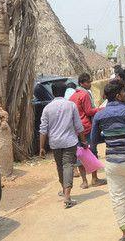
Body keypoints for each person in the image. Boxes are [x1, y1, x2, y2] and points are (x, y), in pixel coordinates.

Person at [90, 81, 125, 240]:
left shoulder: (99, 115)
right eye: (123, 92)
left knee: (117, 195)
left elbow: (94, 139)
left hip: (112, 162)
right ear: (117, 95)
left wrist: (109, 137)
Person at [39, 79, 86, 209]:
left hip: (55, 143)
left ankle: (64, 191)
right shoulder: (71, 105)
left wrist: (42, 147)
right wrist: (83, 141)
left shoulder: (47, 108)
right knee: (68, 166)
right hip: (70, 141)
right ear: (65, 92)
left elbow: (43, 129)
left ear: (53, 93)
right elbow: (78, 126)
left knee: (60, 167)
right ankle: (67, 196)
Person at [69, 73, 105, 188]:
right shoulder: (84, 95)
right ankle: (94, 179)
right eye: (88, 82)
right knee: (92, 152)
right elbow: (89, 111)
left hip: (75, 129)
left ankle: (84, 181)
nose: (90, 84)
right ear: (82, 83)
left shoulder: (72, 96)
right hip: (86, 127)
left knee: (79, 154)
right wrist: (100, 109)